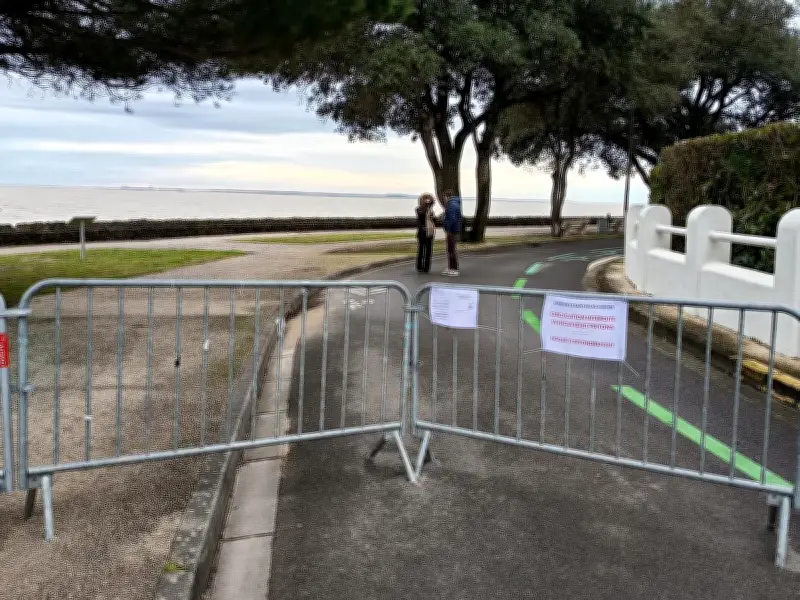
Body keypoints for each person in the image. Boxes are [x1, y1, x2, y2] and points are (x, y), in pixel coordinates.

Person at [440, 189, 462, 276]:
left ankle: (454, 268)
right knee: (450, 249)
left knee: (451, 249)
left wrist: (447, 229)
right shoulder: (454, 203)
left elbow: (451, 219)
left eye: (444, 197)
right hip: (453, 229)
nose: (443, 199)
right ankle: (450, 267)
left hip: (452, 230)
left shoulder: (451, 205)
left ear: (446, 196)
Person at [415, 193, 436, 273]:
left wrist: (433, 217)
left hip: (429, 231)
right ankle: (419, 266)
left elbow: (433, 220)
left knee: (428, 250)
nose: (427, 201)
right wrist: (427, 206)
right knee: (421, 250)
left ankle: (426, 267)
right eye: (425, 199)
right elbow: (421, 216)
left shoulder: (430, 209)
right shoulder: (419, 209)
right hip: (422, 232)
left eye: (428, 199)